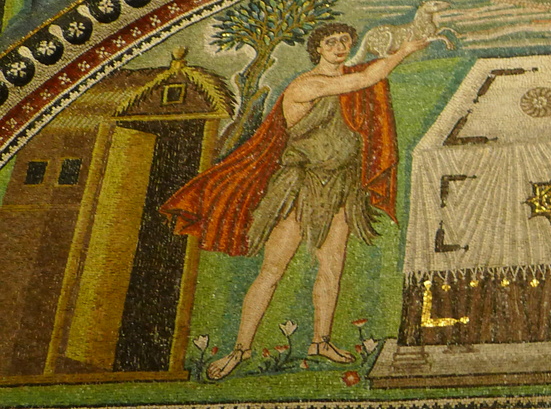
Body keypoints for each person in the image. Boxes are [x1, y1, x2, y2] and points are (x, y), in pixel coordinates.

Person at [162, 22, 429, 380]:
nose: (339, 47)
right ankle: (240, 349)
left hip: (340, 186)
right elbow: (365, 79)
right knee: (272, 270)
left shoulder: (346, 78)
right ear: (317, 49)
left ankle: (320, 342)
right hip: (299, 185)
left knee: (332, 268)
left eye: (344, 41)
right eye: (331, 42)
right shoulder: (305, 86)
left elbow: (363, 85)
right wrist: (404, 52)